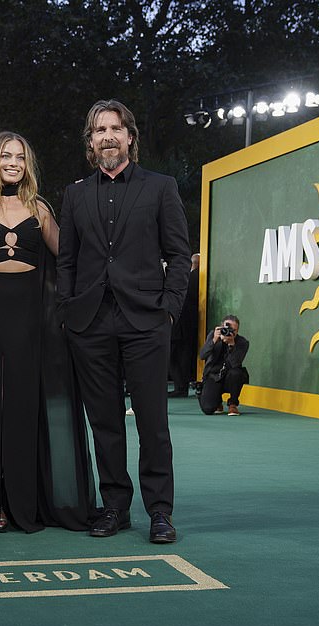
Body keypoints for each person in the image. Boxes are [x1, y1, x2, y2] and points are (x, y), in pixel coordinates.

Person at [57, 99, 191, 544]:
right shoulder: (75, 194)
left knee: (153, 422)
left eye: (115, 128)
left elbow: (178, 254)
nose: (108, 136)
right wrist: (67, 308)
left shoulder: (160, 187)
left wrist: (169, 308)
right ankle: (115, 506)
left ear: (130, 136)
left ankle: (160, 512)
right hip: (91, 322)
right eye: (99, 130)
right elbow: (68, 261)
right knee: (105, 423)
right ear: (91, 141)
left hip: (146, 321)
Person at [0, 131, 95, 533]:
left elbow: (69, 261)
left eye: (19, 157)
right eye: (5, 156)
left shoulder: (41, 209)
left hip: (30, 320)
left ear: (27, 164)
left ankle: (22, 502)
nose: (12, 162)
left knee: (21, 409)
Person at [198, 315, 249, 416]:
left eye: (234, 330)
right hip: (213, 376)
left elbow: (236, 363)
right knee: (208, 409)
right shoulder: (213, 335)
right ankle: (216, 401)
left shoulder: (242, 342)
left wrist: (231, 345)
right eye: (228, 329)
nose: (231, 333)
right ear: (221, 327)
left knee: (237, 373)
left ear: (237, 331)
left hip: (230, 378)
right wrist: (214, 341)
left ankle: (233, 404)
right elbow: (202, 355)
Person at [169, 253, 200, 396]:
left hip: (180, 325)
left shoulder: (189, 279)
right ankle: (182, 386)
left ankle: (180, 387)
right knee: (183, 355)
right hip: (190, 325)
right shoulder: (199, 279)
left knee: (174, 356)